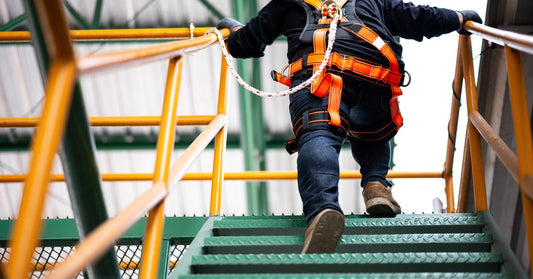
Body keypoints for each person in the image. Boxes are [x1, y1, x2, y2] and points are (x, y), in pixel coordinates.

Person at [217, 0, 482, 254]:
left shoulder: (288, 3)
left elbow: (247, 43)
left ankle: (323, 209)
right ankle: (377, 185)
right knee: (373, 132)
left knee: (318, 135)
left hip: (320, 77)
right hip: (375, 76)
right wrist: (458, 18)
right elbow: (416, 18)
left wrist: (231, 30)